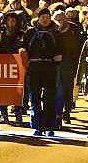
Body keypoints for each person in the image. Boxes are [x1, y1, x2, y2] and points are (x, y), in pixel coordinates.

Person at [22, 8, 62, 137]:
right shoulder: (30, 32)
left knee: (50, 98)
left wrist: (59, 56)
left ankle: (50, 126)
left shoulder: (56, 33)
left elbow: (62, 50)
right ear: (38, 18)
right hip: (34, 68)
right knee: (34, 98)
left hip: (50, 67)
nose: (45, 19)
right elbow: (23, 45)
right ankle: (37, 126)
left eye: (47, 17)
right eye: (42, 17)